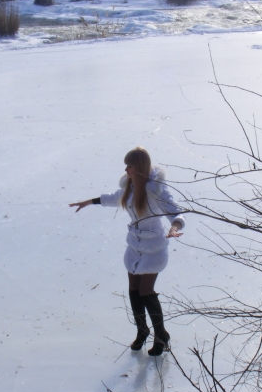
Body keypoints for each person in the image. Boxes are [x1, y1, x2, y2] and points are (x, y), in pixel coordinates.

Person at [70, 147, 185, 356]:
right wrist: (90, 201)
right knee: (133, 289)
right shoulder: (129, 187)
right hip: (134, 245)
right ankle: (142, 331)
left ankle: (161, 335)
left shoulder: (156, 191)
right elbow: (113, 198)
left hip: (154, 246)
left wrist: (174, 228)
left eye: (129, 166)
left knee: (146, 291)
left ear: (138, 167)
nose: (126, 169)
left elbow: (176, 213)